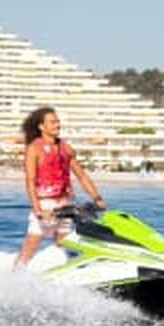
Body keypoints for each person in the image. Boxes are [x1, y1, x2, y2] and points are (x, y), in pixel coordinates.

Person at [14, 107, 106, 268]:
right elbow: (30, 180)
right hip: (45, 205)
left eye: (58, 121)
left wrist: (97, 198)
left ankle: (61, 278)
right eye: (53, 122)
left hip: (66, 205)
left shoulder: (65, 147)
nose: (57, 125)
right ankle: (14, 278)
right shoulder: (34, 148)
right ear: (41, 126)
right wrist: (38, 210)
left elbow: (82, 175)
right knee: (29, 249)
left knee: (65, 248)